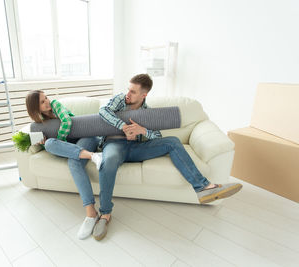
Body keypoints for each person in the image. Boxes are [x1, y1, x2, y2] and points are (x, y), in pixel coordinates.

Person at [92, 74, 243, 241]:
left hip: (137, 148)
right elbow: (103, 111)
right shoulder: (120, 100)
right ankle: (105, 215)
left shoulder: (148, 113)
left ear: (144, 95)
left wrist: (143, 131)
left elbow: (156, 135)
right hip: (115, 145)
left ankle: (203, 188)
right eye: (128, 89)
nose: (128, 94)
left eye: (133, 92)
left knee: (172, 141)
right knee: (110, 160)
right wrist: (124, 126)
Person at [25, 90, 103, 240]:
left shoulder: (55, 105)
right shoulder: (39, 123)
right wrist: (42, 142)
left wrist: (61, 141)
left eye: (45, 98)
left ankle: (90, 213)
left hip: (87, 137)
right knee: (49, 144)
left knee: (73, 163)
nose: (47, 101)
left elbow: (67, 121)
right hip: (74, 147)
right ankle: (93, 156)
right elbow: (48, 146)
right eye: (42, 102)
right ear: (35, 108)